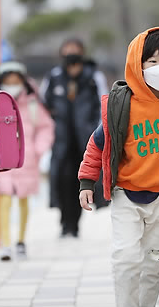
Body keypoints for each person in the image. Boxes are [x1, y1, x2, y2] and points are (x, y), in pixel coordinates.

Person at [78, 27, 159, 307]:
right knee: (126, 258)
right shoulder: (123, 105)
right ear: (137, 63)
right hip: (126, 196)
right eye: (153, 61)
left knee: (155, 263)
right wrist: (87, 182)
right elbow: (97, 144)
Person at [40, 38, 108, 237]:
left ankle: (75, 224)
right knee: (62, 181)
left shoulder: (93, 76)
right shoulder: (54, 76)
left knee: (81, 182)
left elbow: (103, 102)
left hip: (85, 140)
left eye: (75, 49)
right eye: (67, 49)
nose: (71, 53)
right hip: (61, 140)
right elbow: (44, 102)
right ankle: (64, 222)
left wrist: (95, 130)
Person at [0, 61, 54, 261]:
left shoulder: (32, 104)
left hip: (27, 161)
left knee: (23, 200)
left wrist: (37, 150)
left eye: (15, 80)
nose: (12, 84)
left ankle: (20, 241)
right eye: (8, 80)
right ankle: (6, 243)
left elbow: (46, 127)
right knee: (4, 199)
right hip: (1, 160)